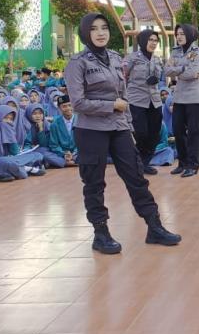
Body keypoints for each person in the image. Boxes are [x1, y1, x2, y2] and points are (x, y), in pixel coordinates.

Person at [65, 13, 181, 255]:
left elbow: (125, 96)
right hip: (91, 130)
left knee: (136, 176)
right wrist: (110, 106)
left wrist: (127, 125)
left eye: (104, 28)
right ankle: (101, 233)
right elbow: (78, 103)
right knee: (94, 182)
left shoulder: (117, 59)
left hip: (118, 128)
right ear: (86, 33)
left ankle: (154, 226)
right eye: (94, 29)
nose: (100, 33)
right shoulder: (78, 63)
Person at [164, 24, 199, 177]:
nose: (179, 36)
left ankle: (193, 165)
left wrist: (178, 70)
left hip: (195, 97)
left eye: (182, 33)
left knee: (194, 132)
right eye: (177, 34)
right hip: (179, 97)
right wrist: (183, 69)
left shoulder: (198, 52)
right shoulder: (175, 52)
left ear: (189, 34)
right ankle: (182, 163)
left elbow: (194, 72)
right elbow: (167, 70)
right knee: (177, 130)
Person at [123, 29, 163, 175]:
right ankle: (136, 162)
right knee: (140, 133)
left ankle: (145, 163)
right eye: (150, 40)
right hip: (137, 100)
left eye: (155, 40)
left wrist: (157, 79)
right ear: (143, 40)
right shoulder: (132, 58)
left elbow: (162, 77)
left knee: (155, 133)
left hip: (155, 101)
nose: (153, 43)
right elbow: (123, 77)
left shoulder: (158, 59)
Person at [0, 105, 46, 181]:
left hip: (6, 161)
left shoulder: (5, 132)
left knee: (37, 155)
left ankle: (11, 170)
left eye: (11, 119)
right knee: (6, 162)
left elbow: (15, 152)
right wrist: (7, 158)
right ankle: (24, 169)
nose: (8, 121)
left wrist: (11, 137)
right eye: (5, 118)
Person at [24, 104, 68, 168]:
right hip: (30, 151)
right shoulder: (25, 125)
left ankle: (58, 162)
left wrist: (41, 129)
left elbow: (44, 144)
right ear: (29, 114)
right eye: (34, 114)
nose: (38, 116)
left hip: (46, 150)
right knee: (36, 155)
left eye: (40, 113)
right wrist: (30, 148)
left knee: (44, 153)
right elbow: (25, 144)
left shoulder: (47, 125)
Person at [48, 95, 78, 166]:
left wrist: (74, 153)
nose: (68, 108)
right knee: (47, 156)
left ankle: (69, 161)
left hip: (79, 153)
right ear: (59, 108)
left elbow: (84, 142)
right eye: (64, 106)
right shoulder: (54, 124)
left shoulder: (81, 121)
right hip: (62, 154)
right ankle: (70, 161)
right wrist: (64, 154)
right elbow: (54, 145)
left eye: (69, 105)